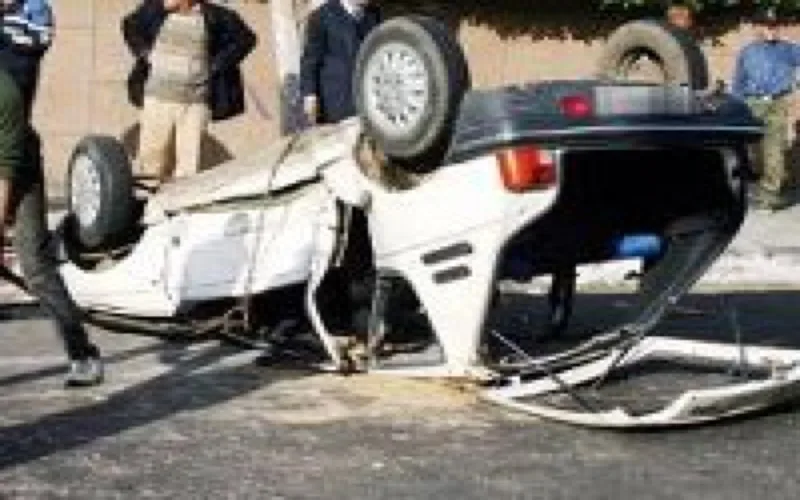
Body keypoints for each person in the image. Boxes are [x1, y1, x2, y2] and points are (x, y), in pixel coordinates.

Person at [0, 0, 103, 387]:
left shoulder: (8, 85)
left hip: (15, 166)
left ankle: (82, 353)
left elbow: (6, 167)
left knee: (35, 265)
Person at [122, 0, 256, 186]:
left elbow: (246, 39)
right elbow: (130, 25)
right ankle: (150, 197)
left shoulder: (215, 15)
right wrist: (145, 53)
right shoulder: (156, 9)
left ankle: (180, 200)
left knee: (189, 163)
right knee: (153, 158)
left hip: (195, 103)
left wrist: (216, 65)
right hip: (157, 98)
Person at [732, 8, 800, 211]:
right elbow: (738, 82)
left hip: (777, 104)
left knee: (774, 151)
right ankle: (753, 188)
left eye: (775, 26)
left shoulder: (789, 50)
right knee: (753, 151)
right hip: (752, 104)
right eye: (767, 25)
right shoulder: (747, 52)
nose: (772, 29)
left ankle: (768, 198)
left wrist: (796, 82)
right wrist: (737, 106)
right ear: (757, 28)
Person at [300, 0, 381, 126]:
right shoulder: (321, 16)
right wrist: (309, 94)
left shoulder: (374, 13)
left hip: (370, 98)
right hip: (337, 103)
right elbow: (311, 59)